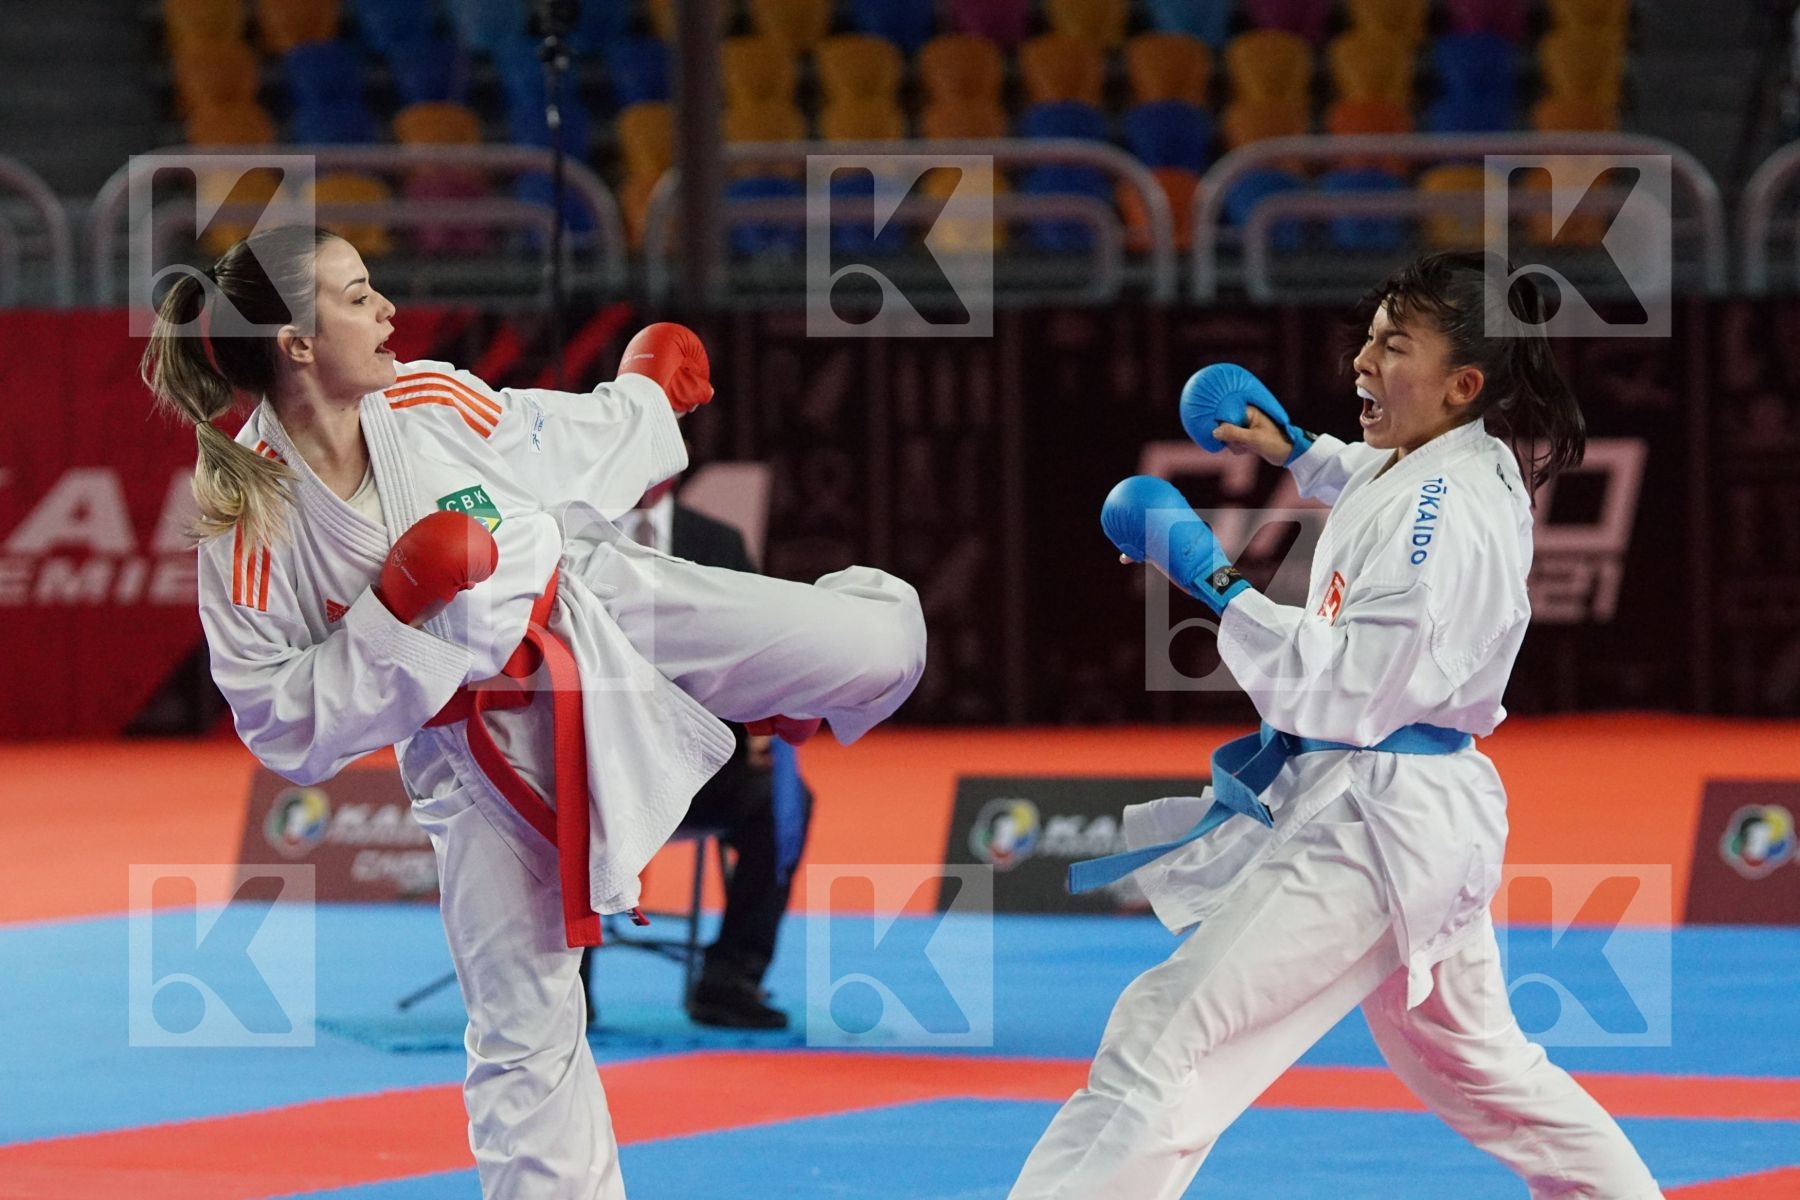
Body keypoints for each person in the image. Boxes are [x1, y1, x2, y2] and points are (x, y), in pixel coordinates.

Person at [142, 225, 926, 1200]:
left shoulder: (425, 398)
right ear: (297, 341)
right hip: (473, 752)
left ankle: (780, 698)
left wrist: (645, 391)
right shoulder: (251, 519)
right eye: (356, 295)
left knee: (884, 644)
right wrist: (394, 613)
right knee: (524, 1039)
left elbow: (557, 440)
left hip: (605, 606)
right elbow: (281, 725)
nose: (386, 309)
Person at [1010, 251, 1665, 1199]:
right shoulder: (1453, 455)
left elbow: (1351, 688)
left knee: (1171, 1031)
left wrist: (1212, 576)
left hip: (1376, 825)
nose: (1362, 360)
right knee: (1484, 1071)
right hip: (1415, 810)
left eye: (1393, 345)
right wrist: (1293, 449)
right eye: (1369, 335)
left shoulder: (1446, 512)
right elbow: (1377, 482)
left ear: (1461, 383)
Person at [581, 476, 816, 1030]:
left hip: (702, 767)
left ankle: (730, 979)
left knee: (782, 801)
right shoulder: (565, 535)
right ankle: (565, 990)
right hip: (591, 765)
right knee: (561, 802)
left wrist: (767, 723)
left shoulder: (718, 544)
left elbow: (760, 646)